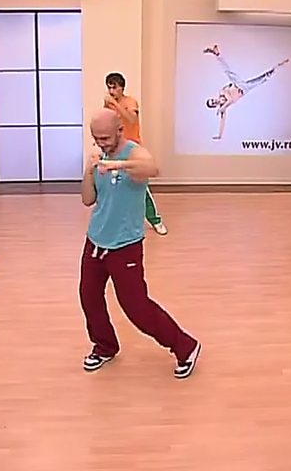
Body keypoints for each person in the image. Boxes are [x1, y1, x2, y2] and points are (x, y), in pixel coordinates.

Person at [79, 108, 201, 379]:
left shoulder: (134, 153)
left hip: (125, 245)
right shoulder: (98, 156)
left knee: (137, 308)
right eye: (96, 138)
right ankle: (105, 346)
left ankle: (186, 347)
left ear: (120, 131)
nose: (101, 143)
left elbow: (152, 169)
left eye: (106, 138)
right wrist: (89, 171)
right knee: (89, 296)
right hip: (96, 240)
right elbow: (88, 199)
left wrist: (118, 165)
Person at [103, 72, 168, 236]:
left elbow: (131, 119)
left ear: (122, 88)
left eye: (114, 88)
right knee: (112, 186)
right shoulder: (109, 105)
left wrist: (115, 104)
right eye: (109, 88)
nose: (111, 91)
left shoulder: (130, 102)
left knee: (141, 187)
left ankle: (156, 220)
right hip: (114, 149)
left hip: (132, 149)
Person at [203, 44, 289, 140]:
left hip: (237, 83)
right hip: (245, 89)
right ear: (214, 106)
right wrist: (219, 135)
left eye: (212, 100)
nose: (214, 102)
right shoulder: (223, 108)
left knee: (228, 72)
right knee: (262, 79)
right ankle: (277, 67)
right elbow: (223, 122)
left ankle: (217, 54)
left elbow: (230, 97)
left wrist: (224, 105)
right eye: (213, 104)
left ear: (213, 98)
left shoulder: (222, 92)